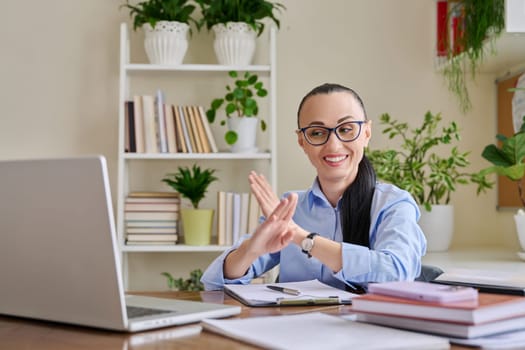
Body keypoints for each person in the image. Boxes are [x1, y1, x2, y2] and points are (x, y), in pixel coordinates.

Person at [201, 83, 426, 292]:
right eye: (317, 133)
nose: (334, 145)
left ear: (366, 133)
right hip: (294, 331)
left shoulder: (393, 204)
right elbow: (214, 282)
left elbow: (398, 273)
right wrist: (251, 250)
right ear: (302, 141)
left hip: (366, 332)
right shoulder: (291, 206)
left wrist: (301, 237)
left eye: (346, 129)